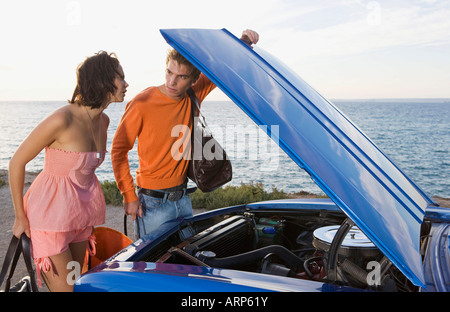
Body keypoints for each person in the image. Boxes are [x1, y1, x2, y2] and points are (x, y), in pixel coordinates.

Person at [111, 29, 259, 237]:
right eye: (169, 72)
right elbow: (118, 151)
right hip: (152, 203)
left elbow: (222, 66)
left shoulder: (194, 93)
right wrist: (128, 195)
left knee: (185, 264)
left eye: (181, 77)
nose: (172, 82)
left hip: (183, 199)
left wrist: (243, 42)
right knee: (153, 268)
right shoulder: (142, 103)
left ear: (193, 79)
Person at [9, 51, 128, 291]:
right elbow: (16, 162)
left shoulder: (103, 121)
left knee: (77, 285)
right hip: (49, 217)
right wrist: (20, 216)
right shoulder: (61, 119)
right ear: (103, 80)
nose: (126, 84)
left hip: (80, 218)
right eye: (121, 78)